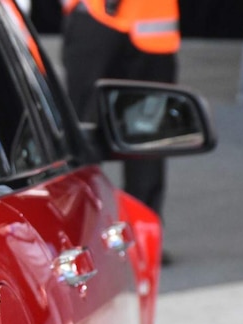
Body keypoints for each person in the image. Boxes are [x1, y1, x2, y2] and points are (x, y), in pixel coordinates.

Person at [61, 0, 180, 223]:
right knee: (83, 134)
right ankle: (80, 229)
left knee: (147, 135)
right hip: (96, 17)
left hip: (151, 26)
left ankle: (144, 234)